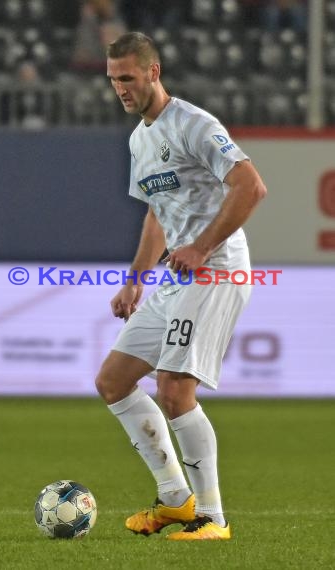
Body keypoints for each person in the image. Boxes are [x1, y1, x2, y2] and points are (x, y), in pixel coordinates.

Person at [95, 32, 267, 541]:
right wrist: (134, 281)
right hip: (178, 276)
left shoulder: (193, 124)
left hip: (217, 269)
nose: (120, 89)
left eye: (127, 77)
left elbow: (250, 186)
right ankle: (175, 500)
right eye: (112, 80)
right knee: (113, 381)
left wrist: (202, 246)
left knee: (174, 390)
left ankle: (212, 519)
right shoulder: (139, 139)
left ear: (153, 72)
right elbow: (157, 213)